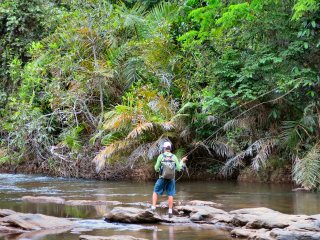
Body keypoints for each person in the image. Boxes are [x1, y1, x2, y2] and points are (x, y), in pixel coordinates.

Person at [150, 141, 187, 218]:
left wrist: (159, 170)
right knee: (170, 194)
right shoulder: (174, 157)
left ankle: (153, 208)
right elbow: (179, 168)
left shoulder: (161, 156)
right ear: (170, 148)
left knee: (155, 192)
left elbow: (156, 168)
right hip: (171, 179)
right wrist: (182, 161)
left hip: (162, 178)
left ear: (164, 148)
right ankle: (170, 211)